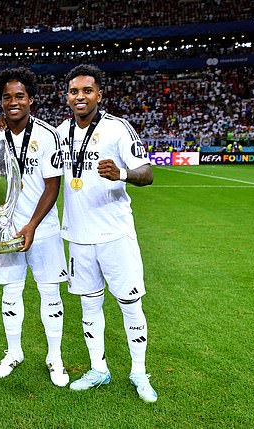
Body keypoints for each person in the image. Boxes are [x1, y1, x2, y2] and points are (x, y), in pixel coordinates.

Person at [57, 64, 158, 402]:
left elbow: (148, 173)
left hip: (115, 236)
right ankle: (98, 369)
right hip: (79, 238)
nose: (80, 96)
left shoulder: (118, 129)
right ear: (67, 97)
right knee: (89, 307)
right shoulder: (60, 132)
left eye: (87, 91)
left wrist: (123, 173)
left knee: (130, 305)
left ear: (99, 94)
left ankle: (139, 372)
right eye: (74, 91)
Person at [0, 67, 69, 386]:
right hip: (6, 231)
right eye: (7, 97)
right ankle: (14, 352)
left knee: (50, 295)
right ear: (1, 101)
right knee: (10, 295)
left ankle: (55, 357)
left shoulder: (48, 135)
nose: (13, 102)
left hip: (43, 231)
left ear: (31, 99)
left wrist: (33, 225)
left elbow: (53, 188)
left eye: (20, 96)